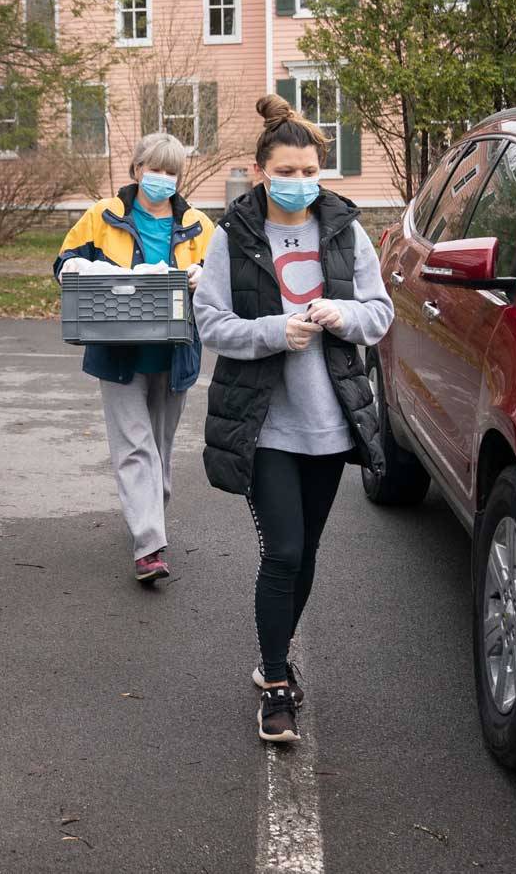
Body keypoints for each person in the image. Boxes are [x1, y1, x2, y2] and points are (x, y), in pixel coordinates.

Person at [193, 94, 395, 743]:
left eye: (311, 171)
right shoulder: (234, 234)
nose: (300, 182)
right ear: (261, 172)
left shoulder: (344, 228)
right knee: (281, 551)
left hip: (331, 425)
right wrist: (277, 331)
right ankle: (277, 681)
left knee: (305, 552)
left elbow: (380, 310)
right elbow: (212, 322)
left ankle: (272, 657)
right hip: (265, 426)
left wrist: (345, 317)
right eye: (287, 170)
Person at [53, 132, 213, 583]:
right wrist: (73, 271)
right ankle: (149, 546)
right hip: (117, 352)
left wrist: (205, 277)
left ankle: (149, 517)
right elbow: (64, 263)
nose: (161, 178)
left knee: (159, 448)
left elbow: (224, 278)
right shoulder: (102, 216)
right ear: (137, 168)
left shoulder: (200, 225)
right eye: (154, 168)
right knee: (134, 448)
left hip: (175, 354)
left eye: (171, 171)